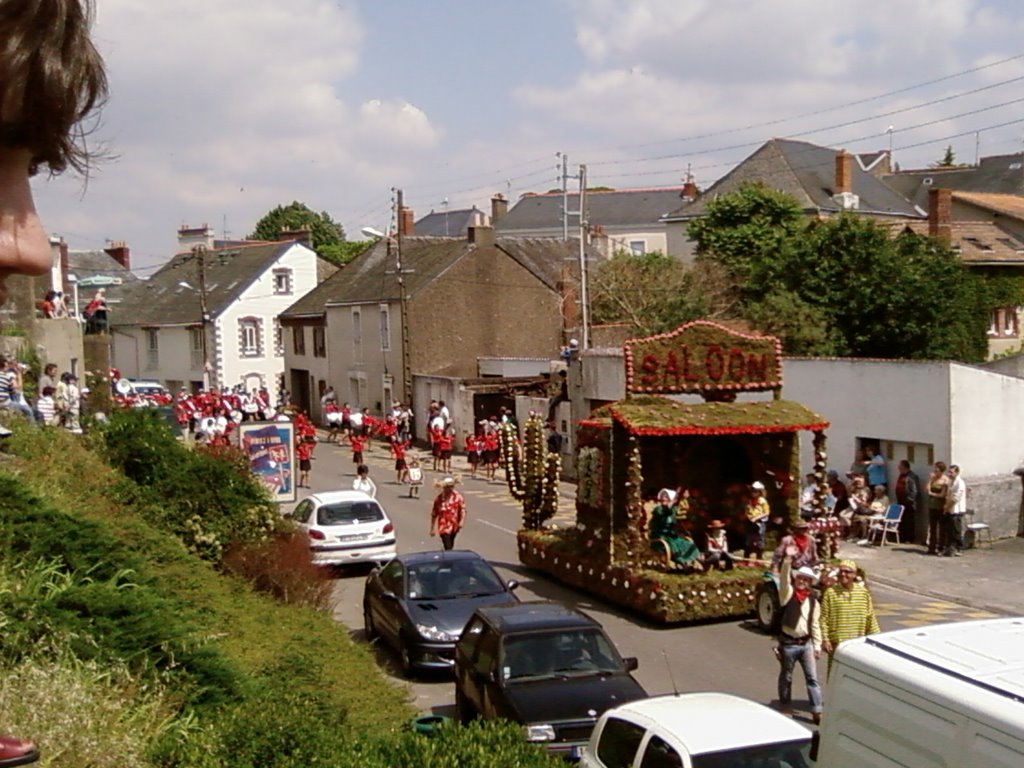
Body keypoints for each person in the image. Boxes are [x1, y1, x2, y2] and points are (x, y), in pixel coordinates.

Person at [775, 557, 824, 724]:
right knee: (786, 677)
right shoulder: (787, 594)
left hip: (806, 644)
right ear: (795, 579)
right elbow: (783, 580)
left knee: (812, 678)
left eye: (806, 579)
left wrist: (817, 645)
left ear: (810, 583)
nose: (802, 581)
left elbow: (815, 624)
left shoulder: (813, 601)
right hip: (789, 644)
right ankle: (786, 706)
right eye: (800, 578)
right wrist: (787, 561)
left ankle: (817, 710)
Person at [820, 559, 880, 675]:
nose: (843, 574)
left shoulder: (863, 593)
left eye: (847, 572)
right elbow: (824, 619)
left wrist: (876, 638)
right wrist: (825, 639)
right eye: (841, 571)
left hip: (856, 644)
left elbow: (870, 618)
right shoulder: (831, 593)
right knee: (835, 675)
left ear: (854, 575)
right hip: (837, 644)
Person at [648, 488, 704, 572]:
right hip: (659, 535)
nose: (664, 498)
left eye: (666, 497)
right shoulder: (658, 509)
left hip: (670, 534)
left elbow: (675, 519)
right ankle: (682, 562)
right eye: (663, 497)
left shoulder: (673, 510)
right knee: (673, 545)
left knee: (687, 542)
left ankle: (695, 561)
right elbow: (664, 512)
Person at [430, 476, 467, 550]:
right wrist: (432, 528)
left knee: (451, 543)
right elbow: (434, 514)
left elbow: (463, 510)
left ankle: (447, 556)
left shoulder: (458, 497)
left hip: (454, 525)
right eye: (447, 487)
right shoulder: (439, 499)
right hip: (443, 526)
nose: (449, 489)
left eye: (451, 487)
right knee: (448, 545)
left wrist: (462, 521)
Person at [925, 461, 950, 555]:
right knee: (932, 527)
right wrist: (930, 479)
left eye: (937, 469)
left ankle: (941, 546)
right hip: (932, 506)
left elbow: (942, 494)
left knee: (942, 528)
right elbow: (927, 488)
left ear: (941, 470)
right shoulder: (933, 478)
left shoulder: (945, 480)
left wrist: (932, 493)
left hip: (940, 506)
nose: (935, 470)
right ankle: (931, 547)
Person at [894, 460, 920, 544]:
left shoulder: (912, 476)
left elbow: (914, 490)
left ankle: (909, 538)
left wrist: (910, 500)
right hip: (901, 501)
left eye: (900, 466)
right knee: (902, 520)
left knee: (909, 520)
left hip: (908, 503)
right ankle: (902, 537)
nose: (898, 467)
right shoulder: (901, 475)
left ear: (904, 467)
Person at [944, 465, 967, 557]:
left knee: (956, 530)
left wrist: (948, 506)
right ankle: (950, 548)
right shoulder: (951, 482)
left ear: (957, 473)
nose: (949, 474)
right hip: (950, 509)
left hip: (956, 509)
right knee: (950, 530)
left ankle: (959, 548)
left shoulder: (960, 483)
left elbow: (956, 498)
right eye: (949, 472)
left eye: (951, 472)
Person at [745, 481, 770, 559]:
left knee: (759, 539)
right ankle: (747, 558)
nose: (753, 493)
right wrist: (749, 517)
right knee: (749, 539)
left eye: (755, 491)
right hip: (750, 522)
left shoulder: (762, 501)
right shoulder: (749, 501)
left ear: (759, 492)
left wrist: (756, 518)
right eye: (752, 491)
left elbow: (767, 513)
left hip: (760, 523)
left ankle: (759, 558)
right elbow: (746, 511)